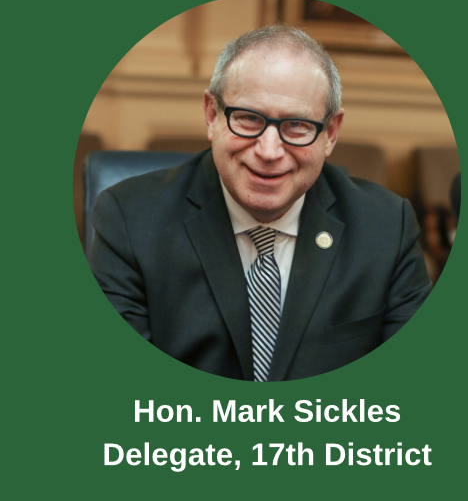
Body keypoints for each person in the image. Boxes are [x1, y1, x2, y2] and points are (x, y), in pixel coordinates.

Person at [92, 25, 431, 381]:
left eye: (297, 125)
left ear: (330, 133)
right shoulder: (129, 219)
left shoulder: (387, 227)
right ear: (212, 115)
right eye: (249, 118)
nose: (269, 152)